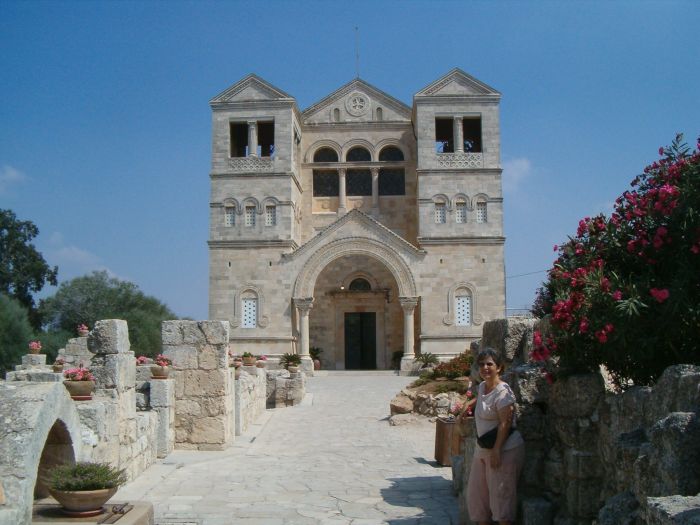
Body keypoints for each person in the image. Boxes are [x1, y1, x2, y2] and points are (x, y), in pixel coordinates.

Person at [458, 348, 525, 525]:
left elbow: (506, 422)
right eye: (481, 364)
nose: (485, 368)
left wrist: (497, 450)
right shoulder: (482, 386)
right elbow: (482, 398)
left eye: (490, 364)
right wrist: (467, 405)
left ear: (499, 367)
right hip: (483, 449)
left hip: (503, 449)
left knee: (501, 501)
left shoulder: (503, 392)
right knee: (477, 498)